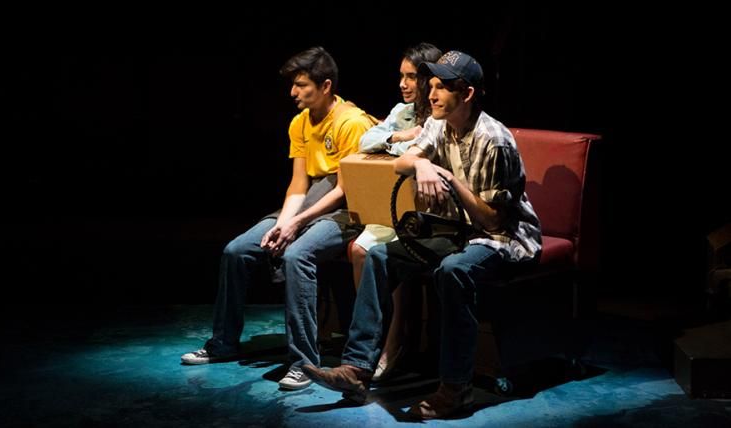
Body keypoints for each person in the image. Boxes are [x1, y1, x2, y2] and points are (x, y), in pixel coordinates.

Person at [303, 50, 542, 419]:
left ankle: (456, 390)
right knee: (379, 256)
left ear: (467, 93)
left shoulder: (494, 140)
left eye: (442, 87)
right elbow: (402, 161)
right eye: (430, 85)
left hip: (504, 240)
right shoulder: (436, 123)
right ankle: (357, 368)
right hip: (456, 229)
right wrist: (422, 162)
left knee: (454, 271)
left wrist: (448, 180)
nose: (431, 94)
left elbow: (494, 222)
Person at [181, 46, 377, 392]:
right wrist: (283, 223)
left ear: (326, 85)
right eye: (293, 85)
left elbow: (344, 190)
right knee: (236, 250)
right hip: (310, 202)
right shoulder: (299, 122)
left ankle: (303, 362)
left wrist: (296, 225)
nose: (293, 92)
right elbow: (299, 183)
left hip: (347, 209)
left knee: (296, 255)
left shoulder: (352, 122)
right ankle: (223, 343)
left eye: (301, 85)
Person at [350, 42, 441, 382]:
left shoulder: (441, 113)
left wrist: (405, 146)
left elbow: (428, 156)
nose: (403, 84)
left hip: (422, 211)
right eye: (401, 76)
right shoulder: (401, 113)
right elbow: (366, 141)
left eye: (411, 77)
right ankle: (372, 338)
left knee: (386, 255)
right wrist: (401, 137)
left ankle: (394, 341)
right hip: (391, 204)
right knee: (359, 250)